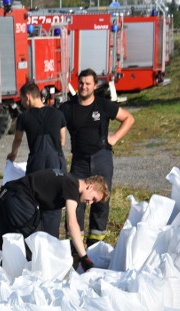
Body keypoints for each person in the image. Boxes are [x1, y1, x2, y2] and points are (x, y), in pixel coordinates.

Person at [59, 69, 134, 247]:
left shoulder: (103, 105)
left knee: (101, 200)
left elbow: (128, 119)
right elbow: (53, 121)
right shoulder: (68, 108)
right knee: (76, 201)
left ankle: (96, 244)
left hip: (102, 158)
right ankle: (75, 246)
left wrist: (114, 138)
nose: (84, 87)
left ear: (95, 85)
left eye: (88, 84)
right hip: (79, 160)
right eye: (81, 83)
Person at [0, 169, 109, 271]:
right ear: (90, 186)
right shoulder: (72, 186)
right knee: (34, 248)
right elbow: (72, 223)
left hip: (7, 197)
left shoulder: (67, 179)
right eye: (93, 198)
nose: (90, 203)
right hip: (20, 200)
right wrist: (84, 257)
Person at [7, 81, 68, 237]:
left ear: (28, 97)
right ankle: (52, 235)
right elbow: (62, 140)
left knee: (34, 198)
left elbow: (18, 139)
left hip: (36, 164)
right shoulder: (58, 114)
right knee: (55, 199)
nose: (21, 103)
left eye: (21, 99)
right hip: (56, 162)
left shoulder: (24, 118)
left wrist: (13, 154)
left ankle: (35, 234)